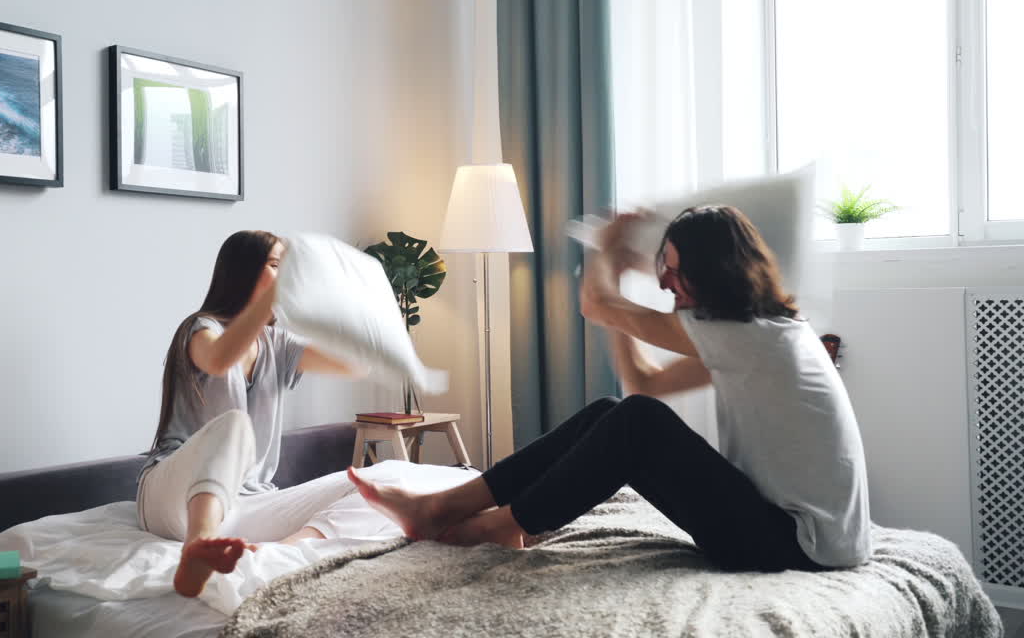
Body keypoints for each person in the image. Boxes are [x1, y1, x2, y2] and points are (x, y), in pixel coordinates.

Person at [349, 206, 871, 572]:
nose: (664, 281)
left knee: (636, 419)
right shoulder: (759, 336)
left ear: (709, 271)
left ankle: (488, 523)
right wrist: (618, 293)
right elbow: (644, 383)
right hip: (796, 538)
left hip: (797, 549)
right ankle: (459, 510)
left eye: (670, 267)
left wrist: (607, 254)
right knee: (615, 411)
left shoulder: (748, 336)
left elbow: (596, 307)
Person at [139, 230, 388, 597]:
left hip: (247, 503)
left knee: (380, 486)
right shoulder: (200, 330)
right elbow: (221, 358)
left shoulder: (278, 343)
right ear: (243, 273)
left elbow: (359, 364)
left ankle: (277, 551)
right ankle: (197, 548)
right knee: (235, 425)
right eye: (276, 266)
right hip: (172, 498)